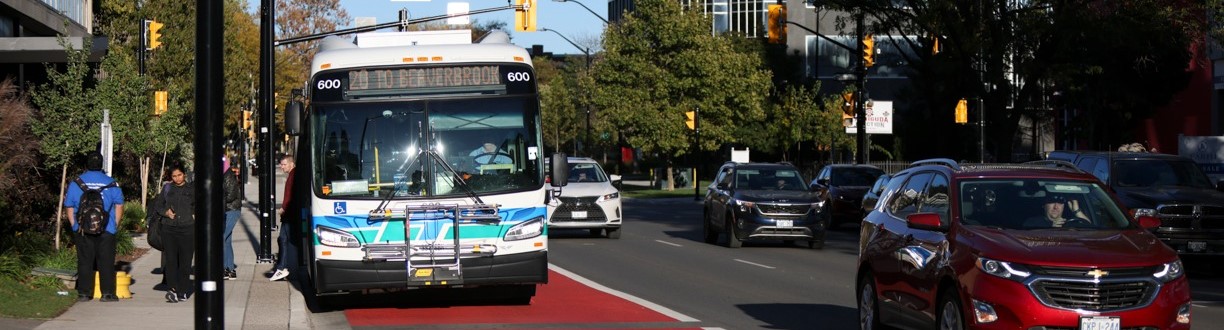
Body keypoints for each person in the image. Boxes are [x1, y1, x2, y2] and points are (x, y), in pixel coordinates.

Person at [64, 152, 124, 302]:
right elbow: (119, 205)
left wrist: (74, 225)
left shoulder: (76, 182)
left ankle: (84, 293)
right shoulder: (111, 182)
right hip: (106, 229)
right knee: (106, 261)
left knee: (84, 261)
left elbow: (69, 206)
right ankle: (107, 294)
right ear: (101, 164)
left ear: (87, 163)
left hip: (82, 229)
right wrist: (114, 224)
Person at [153, 165, 194, 303]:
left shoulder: (192, 189)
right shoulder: (167, 188)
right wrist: (166, 212)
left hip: (187, 229)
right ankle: (172, 289)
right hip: (169, 229)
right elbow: (158, 205)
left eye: (179, 175)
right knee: (170, 261)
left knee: (185, 262)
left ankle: (182, 291)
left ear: (184, 175)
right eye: (174, 176)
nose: (177, 178)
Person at [270, 155, 297, 281]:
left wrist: (284, 208)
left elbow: (291, 195)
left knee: (283, 239)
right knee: (284, 239)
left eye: (284, 164)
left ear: (291, 164)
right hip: (290, 213)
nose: (281, 166)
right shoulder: (292, 175)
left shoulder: (293, 176)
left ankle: (282, 268)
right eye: (281, 164)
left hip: (290, 213)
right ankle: (282, 267)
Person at [222, 161, 242, 280]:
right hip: (227, 209)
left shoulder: (228, 175)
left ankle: (227, 267)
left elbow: (231, 195)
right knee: (227, 240)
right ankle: (229, 269)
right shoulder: (224, 175)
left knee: (223, 237)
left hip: (232, 210)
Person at [1023, 194, 1091, 228]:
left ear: (1064, 206)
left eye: (1060, 203)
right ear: (1044, 205)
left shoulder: (1071, 222)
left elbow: (1090, 230)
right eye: (1051, 202)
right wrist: (1051, 229)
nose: (1056, 207)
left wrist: (1077, 211)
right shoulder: (1032, 223)